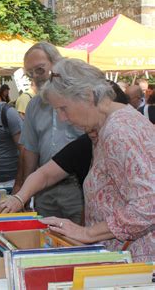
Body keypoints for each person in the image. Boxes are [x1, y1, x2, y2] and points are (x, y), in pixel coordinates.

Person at [35, 58, 153, 262]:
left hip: (137, 261)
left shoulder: (118, 131)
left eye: (63, 108)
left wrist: (87, 234)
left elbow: (149, 204)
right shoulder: (111, 124)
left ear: (88, 96)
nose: (62, 118)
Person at [0, 81, 129, 213]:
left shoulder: (127, 140)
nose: (63, 117)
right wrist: (20, 197)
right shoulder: (84, 143)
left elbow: (143, 207)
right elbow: (46, 173)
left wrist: (90, 233)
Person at [19, 42, 84, 224]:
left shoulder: (80, 97)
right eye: (30, 73)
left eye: (40, 70)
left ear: (57, 63)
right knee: (47, 242)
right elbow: (30, 150)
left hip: (78, 187)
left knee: (79, 244)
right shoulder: (33, 105)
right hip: (44, 189)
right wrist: (25, 191)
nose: (35, 77)